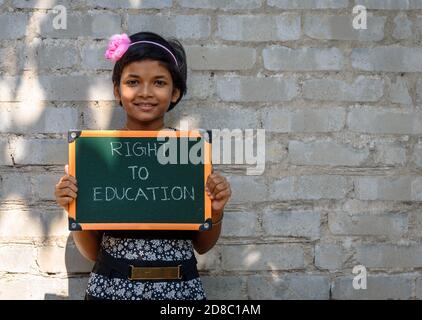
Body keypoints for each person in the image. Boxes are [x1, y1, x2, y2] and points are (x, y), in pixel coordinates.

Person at [54, 31, 232, 300]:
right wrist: (74, 209)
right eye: (133, 82)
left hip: (180, 290)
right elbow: (92, 252)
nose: (145, 92)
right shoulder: (96, 156)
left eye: (159, 82)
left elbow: (203, 246)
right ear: (117, 90)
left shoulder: (188, 154)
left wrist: (215, 212)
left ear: (175, 93)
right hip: (112, 289)